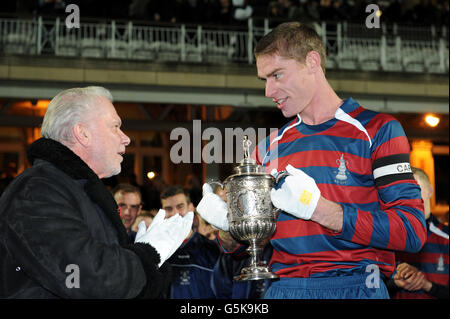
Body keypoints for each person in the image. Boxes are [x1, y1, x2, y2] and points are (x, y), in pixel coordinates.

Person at [197, 22, 427, 299]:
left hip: (356, 286)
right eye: (265, 80)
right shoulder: (267, 148)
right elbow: (237, 250)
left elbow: (411, 231)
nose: (269, 91)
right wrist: (230, 225)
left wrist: (320, 210)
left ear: (312, 62)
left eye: (277, 75)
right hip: (284, 289)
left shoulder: (378, 130)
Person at [0, 86, 193, 298]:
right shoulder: (36, 190)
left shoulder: (79, 191)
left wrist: (143, 260)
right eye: (115, 126)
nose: (125, 138)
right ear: (82, 133)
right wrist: (147, 256)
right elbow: (84, 276)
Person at [389, 167, 449, 299]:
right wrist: (395, 282)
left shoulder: (446, 238)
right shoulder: (388, 238)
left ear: (430, 191)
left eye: (415, 189)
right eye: (404, 192)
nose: (410, 197)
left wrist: (427, 285)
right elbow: (371, 284)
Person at [160, 185, 221, 299]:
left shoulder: (211, 249)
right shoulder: (155, 251)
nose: (175, 213)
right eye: (168, 208)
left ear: (191, 208)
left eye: (180, 206)